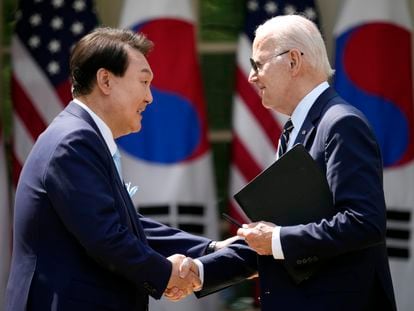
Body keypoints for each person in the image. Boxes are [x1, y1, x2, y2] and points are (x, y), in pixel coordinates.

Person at [5, 27, 246, 311]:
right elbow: (106, 235)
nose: (150, 97)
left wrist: (207, 250)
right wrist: (166, 274)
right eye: (144, 82)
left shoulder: (81, 136)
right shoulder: (73, 142)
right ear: (105, 80)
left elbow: (126, 224)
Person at [195, 14, 397, 311]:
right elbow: (287, 234)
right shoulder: (296, 130)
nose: (251, 77)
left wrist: (276, 238)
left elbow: (363, 222)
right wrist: (199, 272)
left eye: (257, 64)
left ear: (293, 61)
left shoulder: (341, 123)